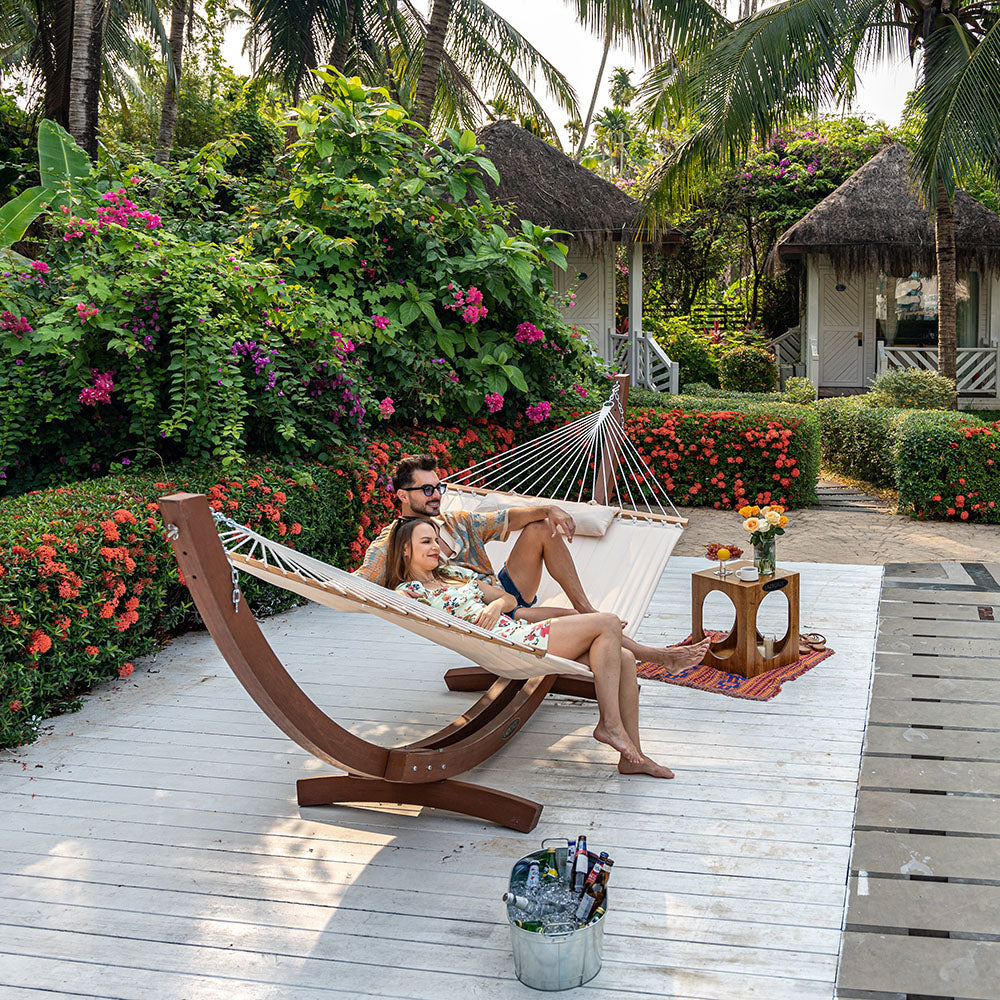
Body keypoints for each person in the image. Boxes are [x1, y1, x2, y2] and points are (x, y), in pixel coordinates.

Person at [357, 453, 709, 672]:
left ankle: (589, 612)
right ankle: (649, 653)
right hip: (477, 615)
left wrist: (548, 509)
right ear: (403, 495)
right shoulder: (390, 545)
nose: (437, 496)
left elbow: (508, 518)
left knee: (540, 526)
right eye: (427, 490)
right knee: (587, 624)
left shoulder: (457, 522)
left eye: (439, 488)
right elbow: (357, 584)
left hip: (502, 597)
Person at [386, 517, 676, 778]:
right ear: (405, 550)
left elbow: (509, 601)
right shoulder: (411, 593)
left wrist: (496, 605)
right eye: (426, 542)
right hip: (509, 647)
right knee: (608, 622)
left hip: (517, 632)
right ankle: (610, 725)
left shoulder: (456, 576)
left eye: (437, 540)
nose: (436, 546)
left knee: (624, 657)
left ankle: (633, 758)